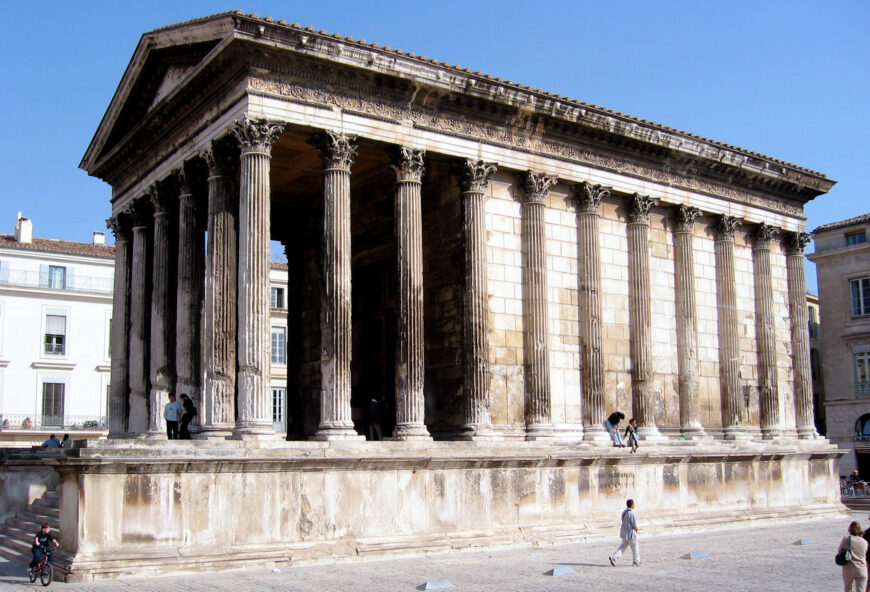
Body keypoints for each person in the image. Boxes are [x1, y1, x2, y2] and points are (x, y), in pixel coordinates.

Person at [609, 499, 640, 566]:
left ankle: (614, 557)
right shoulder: (631, 513)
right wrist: (637, 529)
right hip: (631, 534)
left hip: (624, 533)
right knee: (635, 548)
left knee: (623, 546)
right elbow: (634, 524)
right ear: (632, 504)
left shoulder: (624, 512)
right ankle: (636, 561)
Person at [839, 520, 868, 591]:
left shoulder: (846, 539)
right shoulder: (865, 542)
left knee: (848, 589)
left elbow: (839, 551)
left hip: (848, 569)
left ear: (850, 529)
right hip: (861, 570)